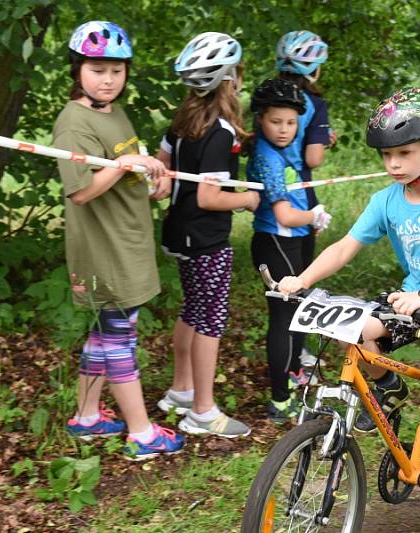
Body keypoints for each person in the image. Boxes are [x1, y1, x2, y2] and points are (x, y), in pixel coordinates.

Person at [277, 87, 420, 533]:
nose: (393, 164)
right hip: (410, 303)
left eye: (403, 153)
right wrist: (303, 279)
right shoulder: (387, 201)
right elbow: (344, 247)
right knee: (354, 330)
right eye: (386, 155)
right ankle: (389, 386)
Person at [52, 20, 183, 460]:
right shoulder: (74, 122)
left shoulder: (113, 112)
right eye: (97, 70)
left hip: (127, 240)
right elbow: (81, 190)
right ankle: (142, 433)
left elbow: (124, 170)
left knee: (103, 331)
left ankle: (87, 418)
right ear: (77, 71)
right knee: (118, 338)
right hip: (104, 250)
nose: (108, 79)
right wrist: (127, 164)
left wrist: (149, 182)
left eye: (116, 70)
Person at [155, 33, 259, 438]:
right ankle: (203, 410)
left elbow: (163, 167)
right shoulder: (219, 133)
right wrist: (247, 198)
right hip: (205, 238)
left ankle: (181, 389)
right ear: (229, 78)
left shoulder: (182, 123)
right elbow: (210, 196)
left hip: (179, 232)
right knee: (210, 321)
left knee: (193, 310)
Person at [247, 78, 332, 422]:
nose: (284, 129)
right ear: (260, 120)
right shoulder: (266, 155)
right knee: (284, 318)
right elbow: (282, 213)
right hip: (275, 240)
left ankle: (294, 372)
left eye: (291, 122)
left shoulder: (285, 147)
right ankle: (280, 400)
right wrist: (313, 215)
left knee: (297, 312)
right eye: (275, 121)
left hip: (292, 239)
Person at [274, 30, 336, 373]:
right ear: (313, 68)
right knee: (301, 281)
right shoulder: (314, 102)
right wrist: (322, 140)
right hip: (301, 197)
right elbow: (313, 158)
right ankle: (295, 360)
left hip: (272, 191)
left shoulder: (269, 96)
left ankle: (292, 355)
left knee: (281, 287)